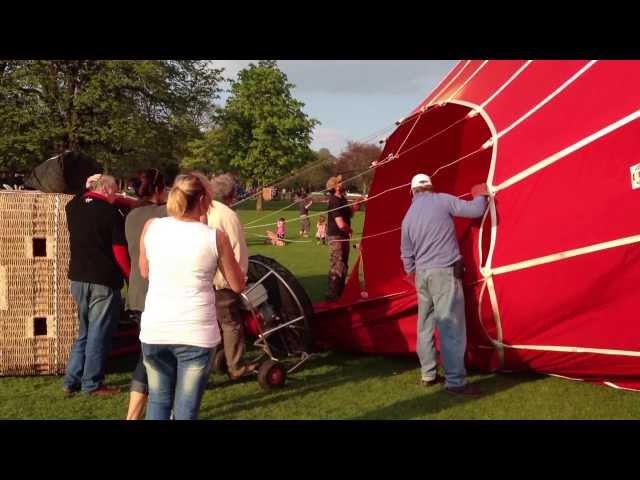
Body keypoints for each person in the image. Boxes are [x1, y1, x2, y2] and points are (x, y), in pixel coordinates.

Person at [139, 172, 245, 420]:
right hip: (195, 332)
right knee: (186, 409)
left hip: (156, 328)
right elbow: (237, 285)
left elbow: (145, 271)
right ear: (204, 200)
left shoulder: (151, 227)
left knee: (158, 400)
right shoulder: (215, 236)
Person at [400, 173, 488, 396]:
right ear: (430, 187)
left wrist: (413, 275)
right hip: (444, 273)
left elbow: (406, 255)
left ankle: (428, 374)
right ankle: (456, 382)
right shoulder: (441, 200)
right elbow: (475, 211)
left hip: (422, 275)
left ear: (412, 191)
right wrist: (480, 195)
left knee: (425, 326)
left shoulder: (408, 217)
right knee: (451, 328)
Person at [63, 174, 130, 397]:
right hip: (103, 279)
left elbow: (85, 196)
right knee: (99, 334)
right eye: (115, 192)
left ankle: (71, 380)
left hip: (77, 278)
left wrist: (93, 186)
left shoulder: (72, 207)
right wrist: (128, 275)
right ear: (109, 190)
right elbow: (119, 251)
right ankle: (92, 384)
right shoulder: (112, 214)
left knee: (84, 332)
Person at [124, 168, 167, 420]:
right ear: (160, 189)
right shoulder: (164, 214)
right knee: (152, 358)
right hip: (157, 294)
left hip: (137, 293)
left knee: (148, 354)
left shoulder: (131, 215)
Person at [207, 173, 256, 381]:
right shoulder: (227, 215)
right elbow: (237, 250)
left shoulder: (201, 209)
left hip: (203, 278)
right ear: (231, 193)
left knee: (210, 322)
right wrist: (240, 277)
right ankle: (236, 366)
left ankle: (212, 362)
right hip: (223, 280)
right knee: (231, 323)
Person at [325, 175, 359, 301]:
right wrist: (349, 230)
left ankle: (341, 292)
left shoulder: (342, 198)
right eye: (339, 182)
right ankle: (332, 294)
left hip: (343, 236)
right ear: (335, 186)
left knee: (344, 265)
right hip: (336, 236)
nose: (343, 182)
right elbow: (340, 224)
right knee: (337, 265)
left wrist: (355, 206)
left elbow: (348, 214)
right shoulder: (334, 201)